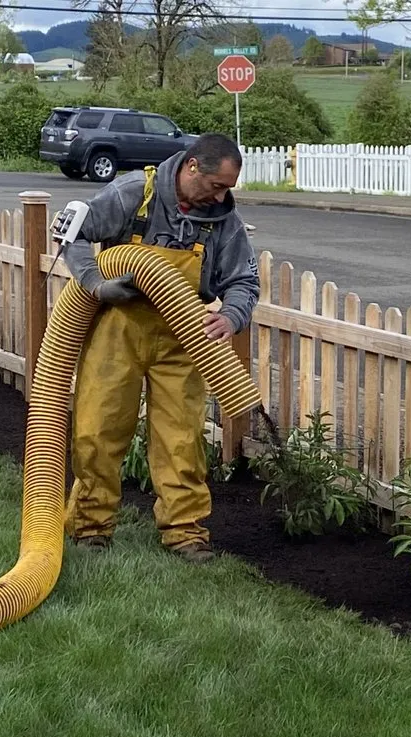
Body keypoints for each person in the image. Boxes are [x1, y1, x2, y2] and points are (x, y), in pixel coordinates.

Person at [57, 133, 260, 563]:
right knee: (98, 430)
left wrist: (231, 316)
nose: (221, 196)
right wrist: (95, 283)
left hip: (183, 338)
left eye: (228, 188)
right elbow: (72, 231)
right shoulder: (135, 193)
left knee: (181, 441)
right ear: (191, 168)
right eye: (217, 185)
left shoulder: (223, 221)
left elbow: (244, 280)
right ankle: (91, 527)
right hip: (119, 330)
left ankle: (185, 534)